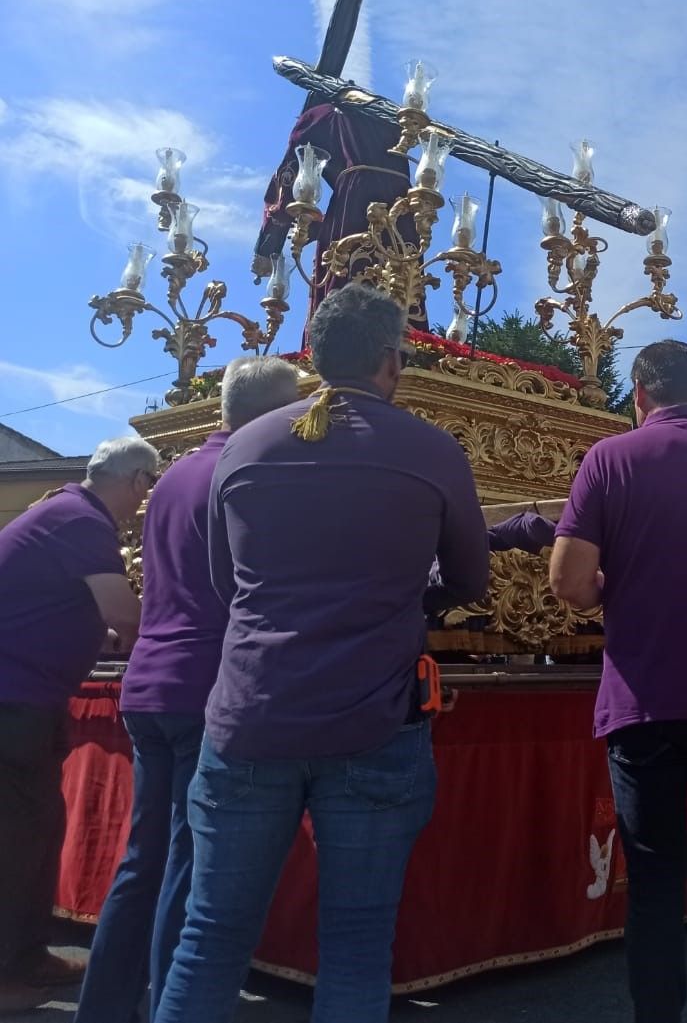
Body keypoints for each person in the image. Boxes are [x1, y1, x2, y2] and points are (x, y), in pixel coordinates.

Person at [153, 285, 490, 1023]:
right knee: (357, 943)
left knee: (210, 936)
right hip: (373, 723)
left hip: (250, 717)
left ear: (313, 358)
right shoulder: (431, 449)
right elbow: (471, 577)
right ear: (390, 359)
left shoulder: (244, 446)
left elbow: (225, 582)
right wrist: (409, 595)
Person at [551, 339, 687, 1023]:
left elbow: (569, 580)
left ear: (638, 395)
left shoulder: (610, 457)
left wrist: (617, 582)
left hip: (645, 694)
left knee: (653, 874)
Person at [77, 358, 301, 1023]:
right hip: (206, 685)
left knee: (144, 860)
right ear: (272, 414)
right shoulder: (251, 473)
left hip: (150, 680)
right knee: (189, 860)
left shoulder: (171, 476)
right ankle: (170, 1007)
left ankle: (104, 1006)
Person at [0, 437, 154, 1011]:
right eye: (147, 489)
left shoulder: (63, 510)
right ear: (137, 481)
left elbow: (86, 613)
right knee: (15, 838)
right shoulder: (83, 523)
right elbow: (123, 613)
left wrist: (102, 635)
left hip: (24, 700)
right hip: (13, 702)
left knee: (37, 828)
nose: (143, 503)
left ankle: (26, 953)